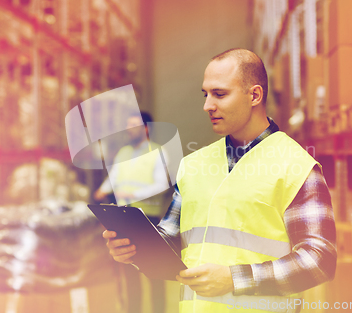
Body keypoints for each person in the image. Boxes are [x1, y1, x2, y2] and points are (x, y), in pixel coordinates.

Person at [104, 49, 337, 312]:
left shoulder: (296, 166)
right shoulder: (194, 165)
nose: (207, 106)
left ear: (254, 95)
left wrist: (233, 280)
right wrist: (134, 248)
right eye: (206, 94)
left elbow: (320, 260)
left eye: (220, 94)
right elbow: (171, 238)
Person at [94, 111, 166, 313]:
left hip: (148, 218)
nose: (129, 129)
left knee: (155, 271)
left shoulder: (157, 152)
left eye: (134, 125)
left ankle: (158, 310)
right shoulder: (123, 153)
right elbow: (114, 177)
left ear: (146, 128)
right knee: (129, 269)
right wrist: (102, 190)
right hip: (125, 217)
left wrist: (133, 193)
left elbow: (161, 185)